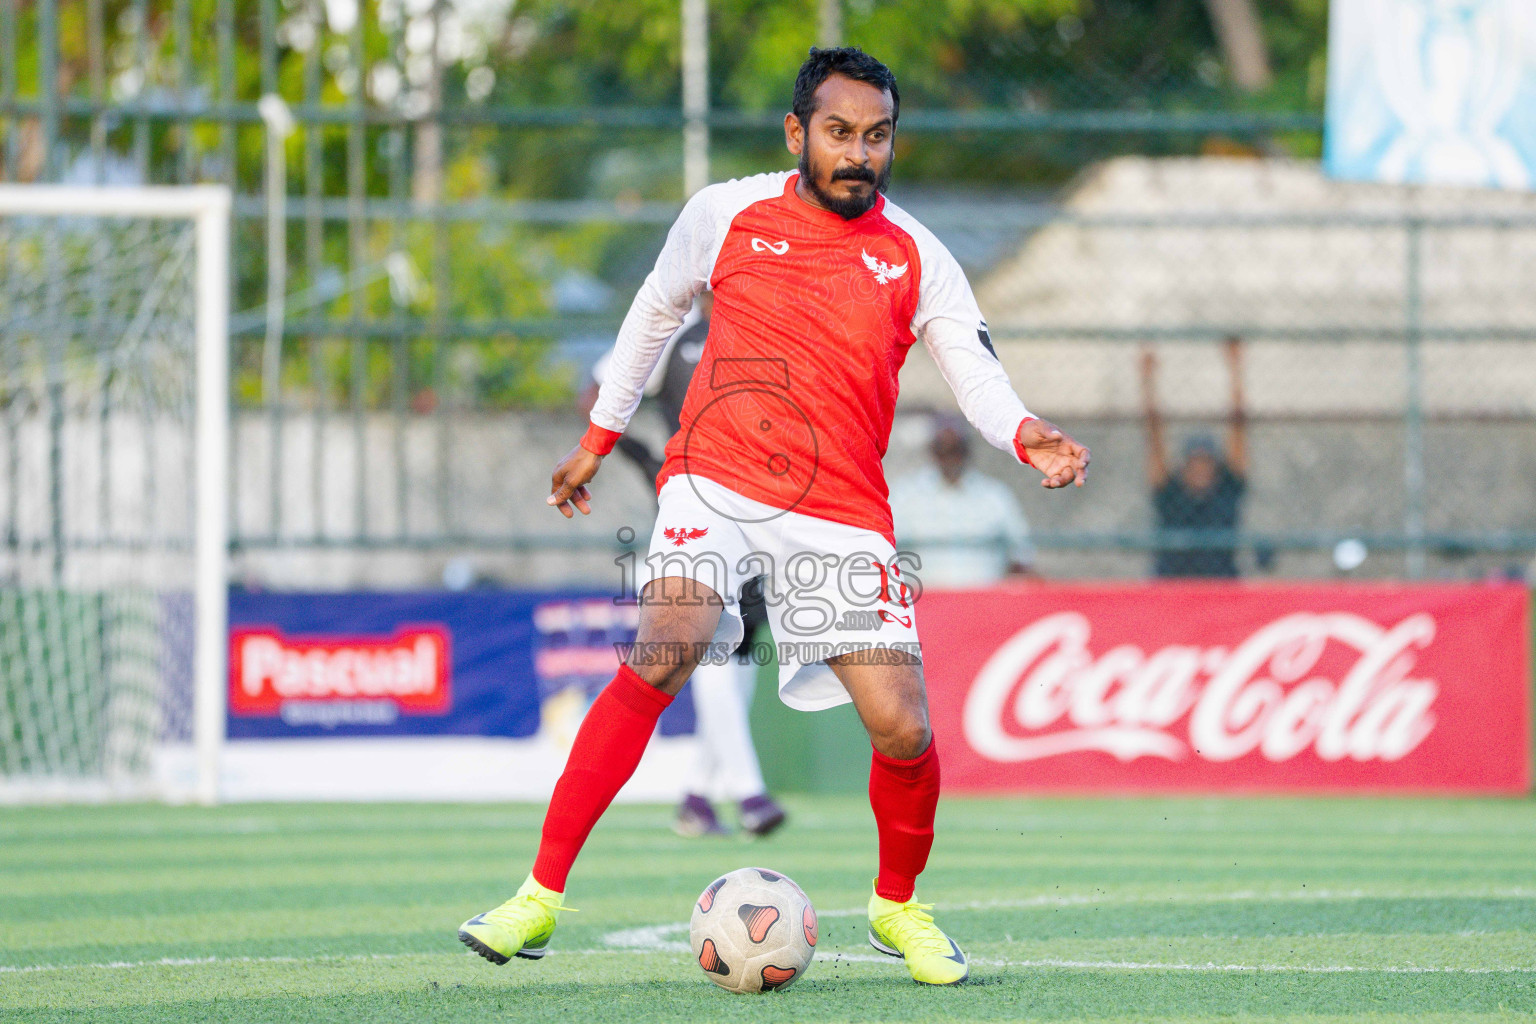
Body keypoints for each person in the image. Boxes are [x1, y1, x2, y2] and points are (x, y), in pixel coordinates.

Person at [458, 47, 1089, 987]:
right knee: (666, 646)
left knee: (903, 728)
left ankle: (897, 906)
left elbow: (974, 370)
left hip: (838, 510)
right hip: (713, 478)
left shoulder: (917, 253)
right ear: (798, 133)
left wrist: (1024, 431)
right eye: (839, 133)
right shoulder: (723, 214)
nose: (859, 154)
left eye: (877, 136)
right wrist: (599, 435)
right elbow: (651, 315)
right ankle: (538, 898)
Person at [591, 293, 788, 839]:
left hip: (757, 514)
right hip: (696, 508)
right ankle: (750, 794)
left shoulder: (768, 330)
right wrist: (643, 460)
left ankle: (697, 799)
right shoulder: (674, 336)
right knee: (713, 650)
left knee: (743, 652)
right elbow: (601, 387)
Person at [1140, 336, 1248, 577]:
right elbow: (1154, 438)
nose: (1201, 470)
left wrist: (1235, 368)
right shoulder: (1171, 493)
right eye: (1195, 463)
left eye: (1206, 463)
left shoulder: (1226, 490)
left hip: (1220, 585)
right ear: (1185, 467)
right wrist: (1148, 380)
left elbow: (1238, 428)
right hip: (1172, 586)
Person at [888, 414, 1038, 586]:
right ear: (932, 450)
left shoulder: (994, 496)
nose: (950, 457)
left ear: (967, 451)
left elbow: (1021, 556)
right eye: (943, 449)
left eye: (955, 450)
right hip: (922, 602)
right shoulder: (904, 495)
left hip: (984, 603)